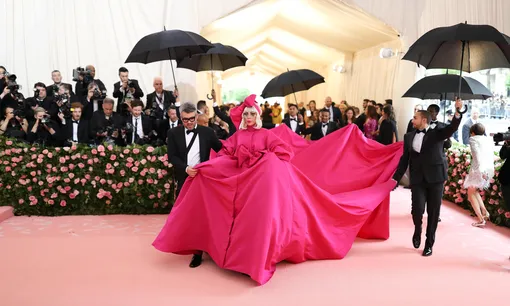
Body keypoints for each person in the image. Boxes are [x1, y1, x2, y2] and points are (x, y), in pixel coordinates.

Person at [153, 94, 402, 285]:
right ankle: (218, 250)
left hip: (261, 188)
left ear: (257, 116)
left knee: (262, 219)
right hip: (242, 186)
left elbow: (282, 154)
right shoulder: (237, 137)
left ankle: (255, 258)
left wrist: (261, 157)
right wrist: (205, 168)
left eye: (252, 114)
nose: (249, 118)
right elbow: (226, 154)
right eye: (246, 114)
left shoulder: (267, 134)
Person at [392, 98, 463, 257]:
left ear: (424, 119)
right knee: (417, 210)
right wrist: (395, 179)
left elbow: (452, 127)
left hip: (436, 178)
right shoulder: (409, 136)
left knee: (433, 213)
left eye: (415, 117)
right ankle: (417, 230)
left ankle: (429, 243)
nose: (412, 119)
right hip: (417, 179)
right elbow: (405, 159)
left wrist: (458, 112)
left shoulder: (438, 133)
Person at [164, 101, 222, 268]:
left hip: (204, 180)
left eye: (191, 119)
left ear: (196, 116)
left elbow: (221, 150)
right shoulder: (173, 133)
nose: (188, 123)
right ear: (180, 118)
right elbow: (172, 156)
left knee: (203, 215)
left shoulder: (208, 132)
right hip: (185, 178)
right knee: (186, 215)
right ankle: (191, 248)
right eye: (184, 120)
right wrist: (186, 168)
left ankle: (201, 250)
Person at [463, 123, 495, 227]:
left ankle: (481, 219)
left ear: (472, 132)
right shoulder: (488, 139)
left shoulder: (473, 139)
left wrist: (479, 171)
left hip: (478, 169)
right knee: (474, 191)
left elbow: (476, 156)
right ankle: (485, 212)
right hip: (488, 169)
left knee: (471, 193)